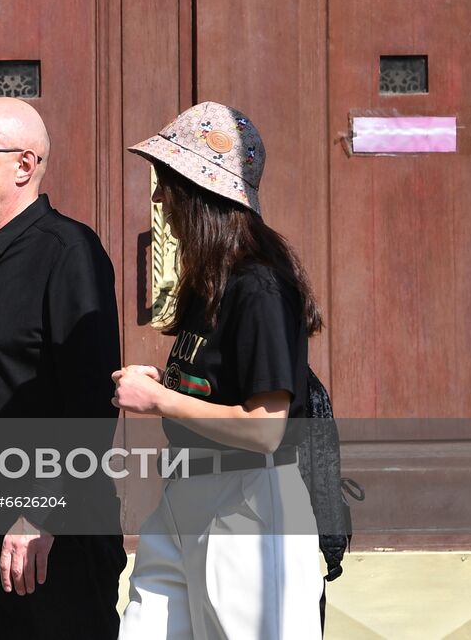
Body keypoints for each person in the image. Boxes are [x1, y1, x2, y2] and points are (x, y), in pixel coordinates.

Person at [114, 101, 322, 639]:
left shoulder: (259, 286)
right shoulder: (212, 283)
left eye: (167, 181)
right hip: (186, 494)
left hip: (249, 506)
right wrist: (169, 385)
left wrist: (158, 401)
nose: (158, 197)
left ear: (200, 193)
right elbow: (218, 391)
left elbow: (265, 426)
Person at [0, 97, 126, 640]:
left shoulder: (68, 252)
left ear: (24, 165)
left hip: (52, 540)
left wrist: (38, 516)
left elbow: (90, 403)